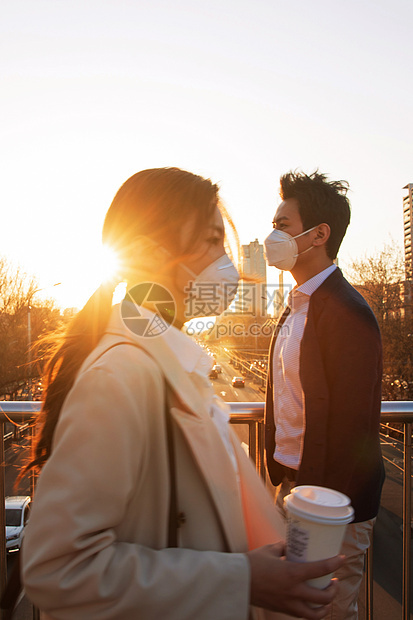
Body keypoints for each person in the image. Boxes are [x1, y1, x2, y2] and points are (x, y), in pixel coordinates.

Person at [21, 168, 344, 620]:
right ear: (151, 254)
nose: (226, 259)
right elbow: (58, 567)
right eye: (212, 240)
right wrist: (241, 579)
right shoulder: (120, 377)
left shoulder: (170, 362)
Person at [264, 170, 385, 620]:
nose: (272, 235)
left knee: (326, 612)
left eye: (283, 225)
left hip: (332, 505)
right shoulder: (297, 306)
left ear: (319, 235)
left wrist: (325, 514)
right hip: (294, 489)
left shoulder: (349, 313)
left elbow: (355, 429)